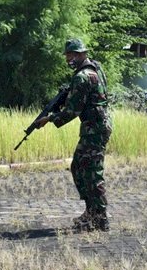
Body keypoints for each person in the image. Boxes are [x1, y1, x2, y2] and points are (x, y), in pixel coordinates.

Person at [36, 38, 112, 231]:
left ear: (81, 54)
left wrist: (49, 118)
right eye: (68, 55)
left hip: (94, 128)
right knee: (79, 166)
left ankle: (99, 217)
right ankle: (92, 211)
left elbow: (72, 111)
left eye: (72, 55)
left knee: (91, 172)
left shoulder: (82, 77)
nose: (69, 59)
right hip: (96, 126)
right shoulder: (96, 69)